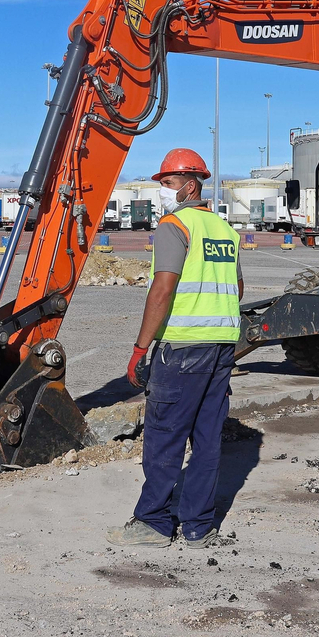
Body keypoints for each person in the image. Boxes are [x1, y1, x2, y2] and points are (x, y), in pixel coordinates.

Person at [107, 148, 243, 550]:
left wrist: (139, 347)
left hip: (182, 350)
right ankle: (199, 525)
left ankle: (152, 522)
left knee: (165, 436)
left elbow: (162, 289)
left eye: (166, 184)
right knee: (207, 440)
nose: (161, 192)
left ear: (189, 185)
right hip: (220, 349)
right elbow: (236, 290)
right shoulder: (224, 230)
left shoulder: (174, 226)